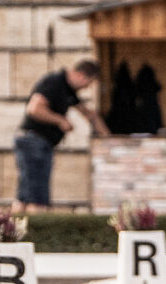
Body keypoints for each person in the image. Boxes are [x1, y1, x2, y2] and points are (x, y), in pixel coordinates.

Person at [15, 56, 108, 214]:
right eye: (89, 83)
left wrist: (107, 137)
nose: (87, 88)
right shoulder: (54, 82)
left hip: (38, 142)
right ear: (81, 75)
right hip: (33, 141)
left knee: (26, 195)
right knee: (37, 197)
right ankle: (36, 231)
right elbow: (34, 109)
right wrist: (61, 120)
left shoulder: (68, 90)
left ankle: (15, 232)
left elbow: (88, 113)